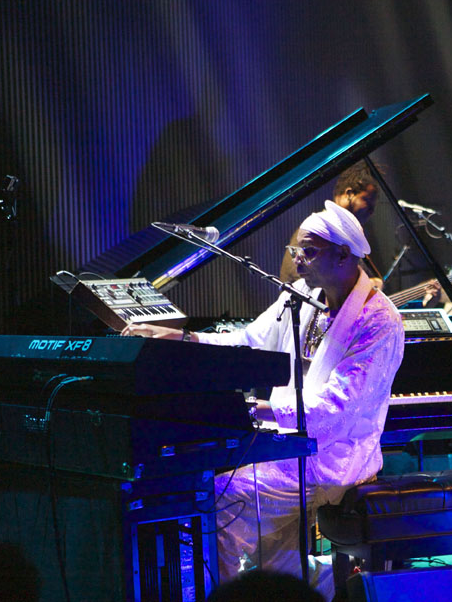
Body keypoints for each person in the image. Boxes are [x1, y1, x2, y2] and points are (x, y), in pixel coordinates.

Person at [124, 201, 405, 599]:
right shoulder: (304, 296)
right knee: (272, 550)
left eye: (309, 251)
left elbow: (340, 408)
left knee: (223, 499)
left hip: (337, 456)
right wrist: (184, 340)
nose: (298, 261)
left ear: (344, 254)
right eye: (297, 251)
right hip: (289, 441)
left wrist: (265, 408)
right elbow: (248, 341)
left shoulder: (378, 320)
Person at [280, 161, 383, 285]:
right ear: (349, 194)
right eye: (367, 201)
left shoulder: (349, 242)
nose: (371, 211)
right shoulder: (314, 232)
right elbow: (300, 277)